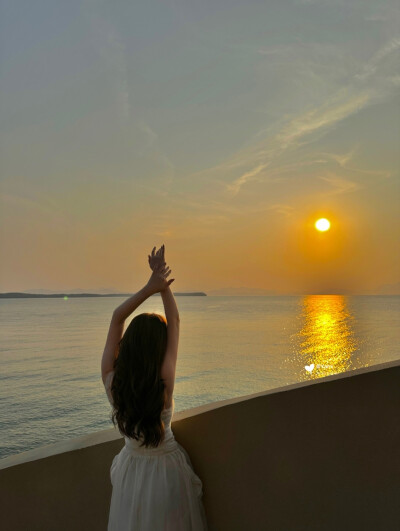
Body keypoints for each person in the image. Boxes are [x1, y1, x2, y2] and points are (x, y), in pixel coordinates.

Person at [101, 244, 208, 530]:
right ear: (158, 348)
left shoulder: (113, 381)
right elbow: (173, 320)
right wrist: (161, 285)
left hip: (130, 471)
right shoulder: (164, 380)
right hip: (165, 472)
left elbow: (116, 318)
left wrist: (150, 286)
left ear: (130, 346)